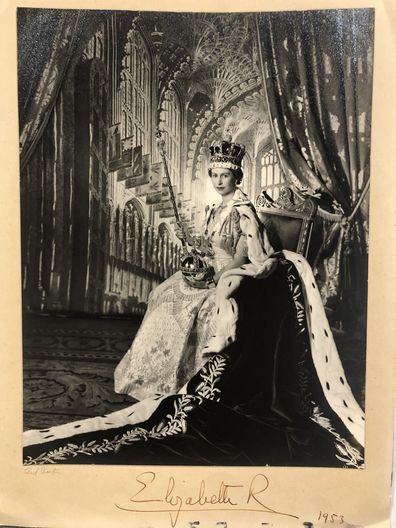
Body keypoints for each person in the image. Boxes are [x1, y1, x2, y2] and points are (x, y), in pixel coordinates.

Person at [23, 138, 365, 467]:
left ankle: (186, 379)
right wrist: (198, 265)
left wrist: (217, 279)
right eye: (214, 175)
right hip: (211, 271)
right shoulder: (214, 208)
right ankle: (154, 378)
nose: (219, 181)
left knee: (193, 307)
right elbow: (209, 250)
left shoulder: (243, 211)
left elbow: (242, 257)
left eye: (225, 176)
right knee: (164, 294)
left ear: (237, 177)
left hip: (233, 273)